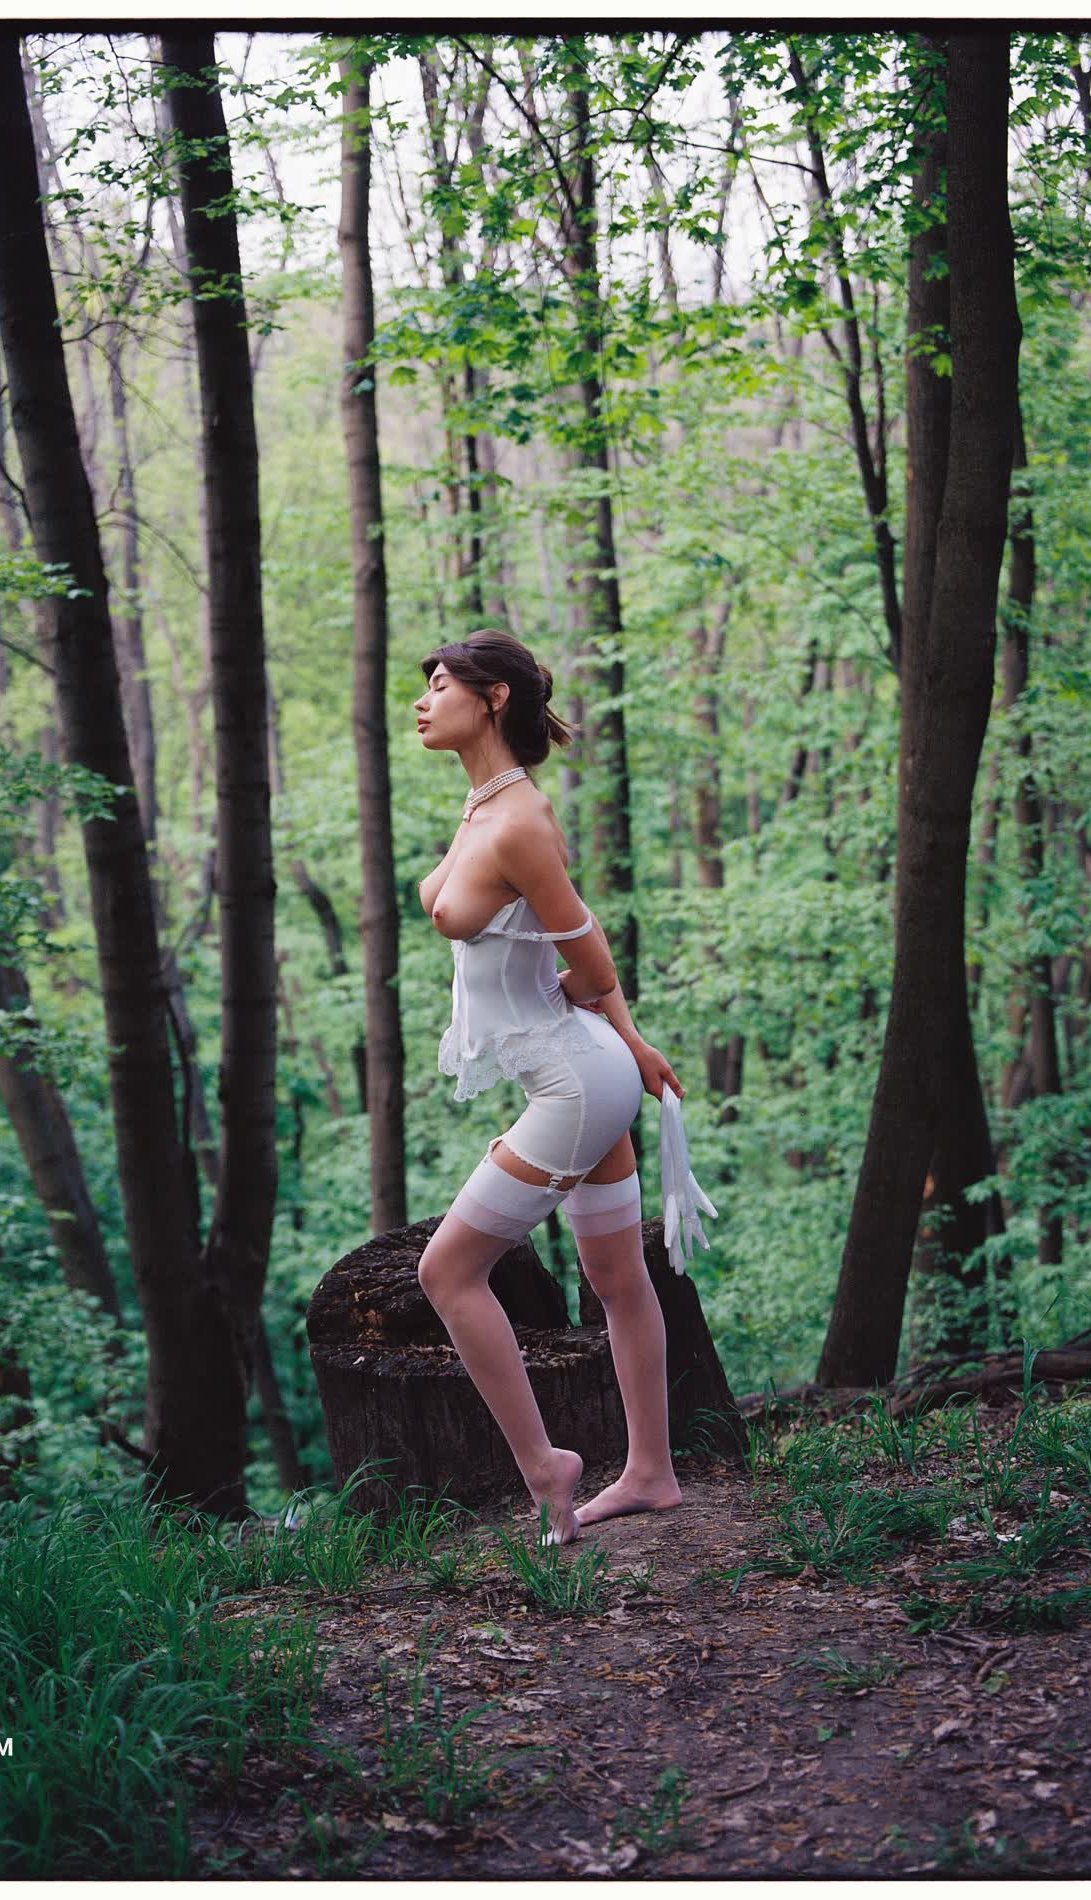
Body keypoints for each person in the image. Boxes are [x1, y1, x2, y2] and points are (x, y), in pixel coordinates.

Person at [414, 629, 685, 1545]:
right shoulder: (486, 806)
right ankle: (650, 1474)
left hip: (574, 1083)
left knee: (446, 1273)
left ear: (491, 697)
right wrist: (620, 1042)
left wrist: (624, 1043)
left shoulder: (520, 820)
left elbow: (588, 954)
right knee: (616, 1277)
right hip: (576, 1072)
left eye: (440, 684)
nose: (422, 701)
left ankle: (545, 1468)